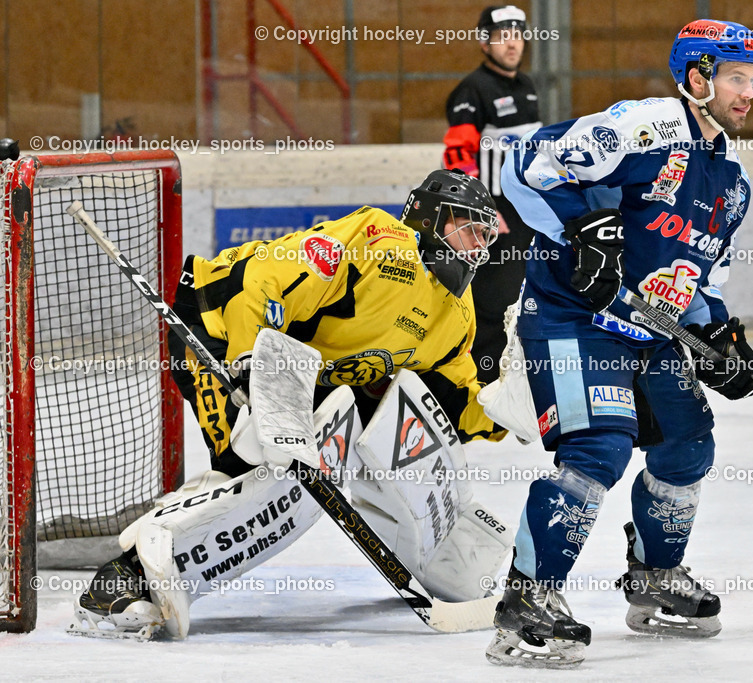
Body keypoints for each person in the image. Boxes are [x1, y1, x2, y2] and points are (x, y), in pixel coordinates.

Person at [72, 169, 510, 639]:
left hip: (301, 372)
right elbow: (261, 280)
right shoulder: (378, 243)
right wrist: (251, 363)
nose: (474, 246)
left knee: (313, 468)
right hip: (219, 326)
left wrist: (515, 407)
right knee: (256, 464)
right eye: (465, 228)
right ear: (426, 217)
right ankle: (119, 584)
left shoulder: (455, 313)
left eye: (482, 234)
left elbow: (456, 399)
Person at [485, 20, 753, 668]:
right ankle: (528, 598)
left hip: (649, 330)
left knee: (689, 442)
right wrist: (581, 228)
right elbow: (525, 171)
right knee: (598, 447)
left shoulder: (733, 181)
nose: (748, 91)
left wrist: (720, 336)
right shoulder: (643, 128)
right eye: (736, 76)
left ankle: (654, 576)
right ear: (697, 78)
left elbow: (700, 281)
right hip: (573, 315)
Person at [443, 4, 541, 383]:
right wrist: (479, 210)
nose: (512, 43)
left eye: (517, 34)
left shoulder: (528, 87)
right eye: (502, 36)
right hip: (492, 212)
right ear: (485, 43)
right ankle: (484, 379)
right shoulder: (472, 90)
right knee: (492, 298)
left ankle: (513, 375)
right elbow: (457, 156)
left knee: (521, 291)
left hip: (524, 209)